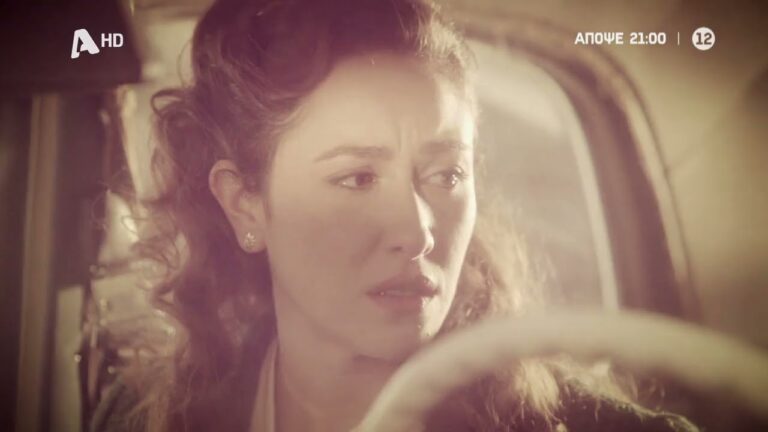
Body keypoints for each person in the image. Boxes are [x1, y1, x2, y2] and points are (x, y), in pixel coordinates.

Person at [91, 0, 700, 431]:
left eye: (446, 175)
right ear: (244, 202)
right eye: (357, 178)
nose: (417, 232)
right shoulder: (139, 420)